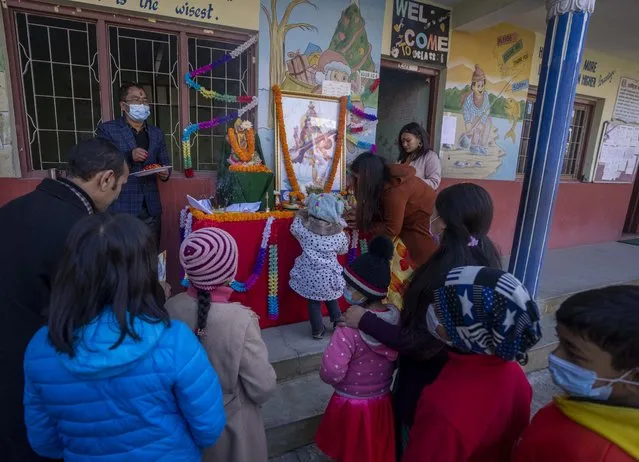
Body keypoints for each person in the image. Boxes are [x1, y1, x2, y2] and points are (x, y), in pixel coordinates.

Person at [23, 214, 225, 461]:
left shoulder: (41, 348)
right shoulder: (174, 341)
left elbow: (45, 442)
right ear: (144, 271)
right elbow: (208, 429)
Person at [344, 183, 502, 457]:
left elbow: (422, 342)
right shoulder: (487, 258)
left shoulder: (447, 274)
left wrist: (365, 321)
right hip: (454, 381)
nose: (432, 220)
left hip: (425, 387)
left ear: (445, 222)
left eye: (436, 214)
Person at [0, 138, 127, 462]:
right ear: (106, 179)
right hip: (42, 366)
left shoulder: (13, 209)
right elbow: (89, 316)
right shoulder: (84, 232)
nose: (117, 196)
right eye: (120, 186)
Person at [403, 266, 542, 462]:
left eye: (442, 313)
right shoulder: (513, 373)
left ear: (467, 329)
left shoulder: (443, 407)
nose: (432, 314)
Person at [166, 227, 277, 462]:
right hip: (232, 430)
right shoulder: (241, 320)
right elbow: (263, 386)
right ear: (230, 271)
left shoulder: (170, 308)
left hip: (181, 423)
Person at [512, 286, 639, 462]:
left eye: (573, 353)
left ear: (634, 377)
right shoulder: (593, 404)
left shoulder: (599, 453)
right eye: (559, 342)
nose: (555, 356)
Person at [315, 236, 399, 462]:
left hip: (350, 405)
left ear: (364, 292)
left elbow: (331, 370)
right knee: (373, 448)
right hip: (381, 402)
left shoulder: (348, 328)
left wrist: (338, 382)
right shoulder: (394, 321)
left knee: (350, 449)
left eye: (350, 286)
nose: (346, 290)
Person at [347, 152, 437, 309]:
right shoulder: (383, 181)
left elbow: (392, 228)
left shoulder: (394, 190)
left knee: (398, 276)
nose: (353, 182)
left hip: (415, 234)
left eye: (356, 178)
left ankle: (392, 312)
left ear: (368, 178)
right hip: (406, 227)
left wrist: (363, 224)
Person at [97, 82, 171, 249]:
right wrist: (128, 156)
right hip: (122, 207)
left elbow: (165, 161)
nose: (142, 104)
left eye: (145, 100)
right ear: (123, 105)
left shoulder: (156, 133)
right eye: (137, 100)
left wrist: (165, 172)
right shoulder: (108, 130)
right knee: (122, 259)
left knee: (150, 258)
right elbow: (101, 161)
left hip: (151, 209)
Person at [290, 193, 349, 338]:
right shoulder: (339, 234)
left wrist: (302, 213)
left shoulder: (305, 230)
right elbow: (343, 250)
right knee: (331, 296)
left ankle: (317, 330)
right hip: (329, 275)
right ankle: (337, 319)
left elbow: (294, 227)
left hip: (310, 274)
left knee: (313, 302)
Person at [397, 122, 441, 190]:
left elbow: (434, 183)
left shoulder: (430, 156)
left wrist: (410, 181)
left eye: (408, 141)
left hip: (418, 199)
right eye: (402, 141)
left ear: (419, 139)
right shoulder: (402, 156)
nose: (404, 144)